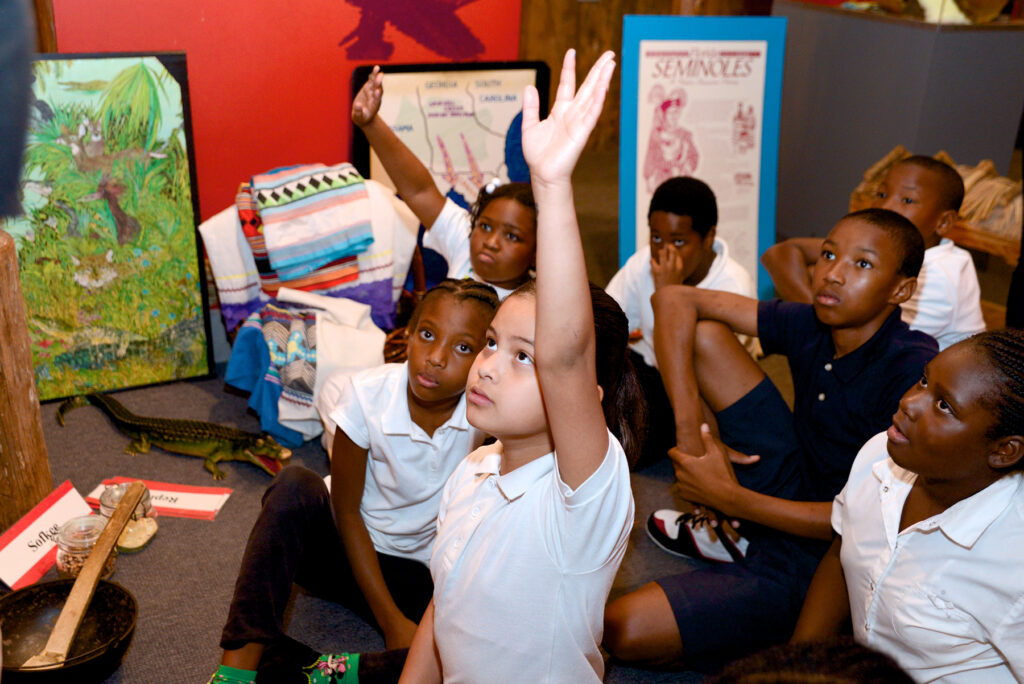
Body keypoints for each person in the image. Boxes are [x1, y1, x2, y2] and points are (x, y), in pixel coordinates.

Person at [603, 208, 939, 670]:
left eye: (861, 264)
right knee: (704, 333)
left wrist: (732, 499)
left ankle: (809, 627)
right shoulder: (815, 322)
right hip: (794, 476)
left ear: (901, 290)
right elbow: (673, 301)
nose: (834, 274)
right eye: (828, 254)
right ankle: (743, 541)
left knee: (622, 629)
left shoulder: (912, 371)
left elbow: (869, 522)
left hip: (832, 554)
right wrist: (696, 439)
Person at [398, 49, 642, 683]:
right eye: (491, 344)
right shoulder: (475, 468)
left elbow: (565, 357)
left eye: (522, 358)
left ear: (581, 394)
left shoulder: (584, 500)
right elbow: (441, 607)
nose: (485, 366)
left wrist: (554, 186)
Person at [208, 279, 498, 684]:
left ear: (486, 359)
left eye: (462, 347)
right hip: (342, 548)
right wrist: (391, 622)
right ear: (408, 334)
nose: (435, 357)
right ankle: (234, 673)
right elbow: (345, 511)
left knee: (482, 651)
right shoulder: (367, 395)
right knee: (294, 484)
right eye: (428, 335)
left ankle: (312, 671)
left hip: (417, 573)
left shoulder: (488, 415)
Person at [792, 329, 1024, 682]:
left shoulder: (1013, 561)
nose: (909, 403)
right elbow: (844, 549)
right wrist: (795, 666)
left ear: (1003, 450)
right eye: (923, 380)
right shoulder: (880, 454)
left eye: (944, 405)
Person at [606, 175, 755, 468]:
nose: (664, 252)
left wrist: (668, 295)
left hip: (704, 392)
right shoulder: (643, 264)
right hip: (650, 369)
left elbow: (695, 371)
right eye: (656, 237)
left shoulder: (732, 286)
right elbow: (608, 320)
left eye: (679, 241)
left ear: (708, 238)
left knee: (634, 441)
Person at [762, 155, 985, 350]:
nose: (885, 207)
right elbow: (779, 253)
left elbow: (866, 342)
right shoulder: (889, 247)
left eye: (907, 200)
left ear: (944, 222)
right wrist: (821, 311)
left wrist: (818, 315)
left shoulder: (938, 275)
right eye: (881, 194)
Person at [352, 66, 536, 300]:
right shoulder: (465, 241)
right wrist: (370, 124)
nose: (491, 242)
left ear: (537, 253)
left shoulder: (534, 302)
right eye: (485, 227)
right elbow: (419, 191)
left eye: (511, 236)